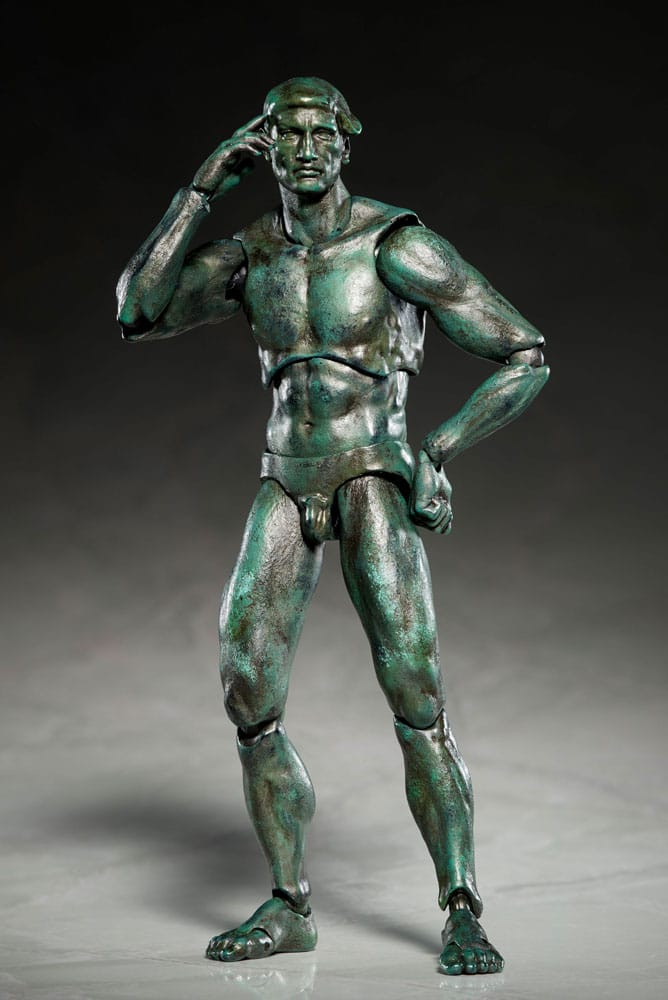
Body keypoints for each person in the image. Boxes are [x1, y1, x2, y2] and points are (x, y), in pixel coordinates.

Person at [116, 76, 549, 976]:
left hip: (372, 474)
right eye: (288, 134)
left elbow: (524, 353)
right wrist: (199, 188)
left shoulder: (395, 245)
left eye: (322, 134)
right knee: (246, 685)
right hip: (285, 476)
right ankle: (289, 902)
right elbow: (137, 311)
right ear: (264, 147)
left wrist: (438, 449)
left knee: (416, 692)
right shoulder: (251, 256)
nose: (306, 148)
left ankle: (462, 907)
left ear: (346, 144)